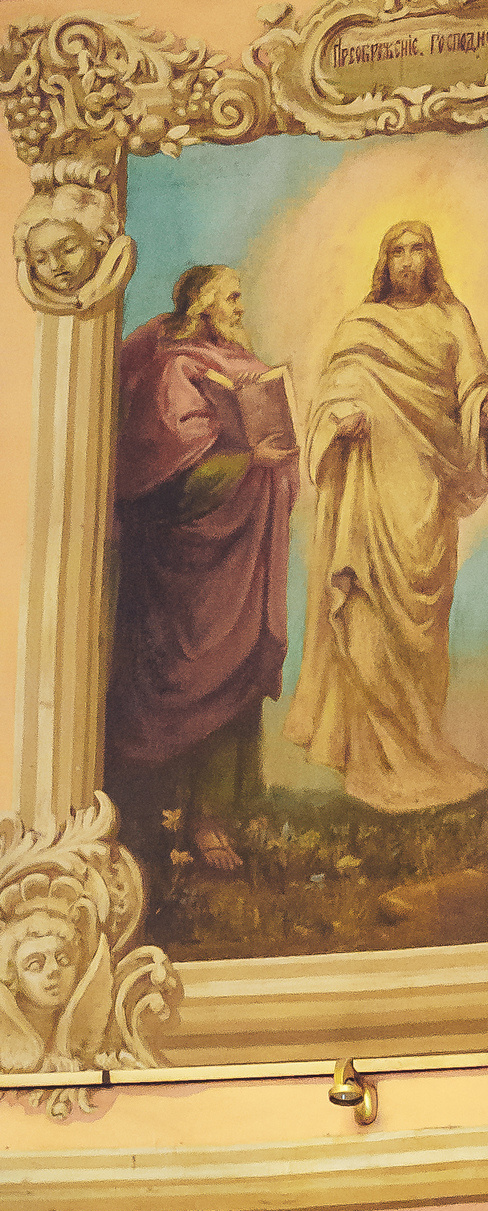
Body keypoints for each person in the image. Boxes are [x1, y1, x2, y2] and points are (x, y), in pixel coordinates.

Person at [284, 221, 488, 815]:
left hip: (427, 484)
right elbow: (331, 394)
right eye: (397, 250)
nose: (407, 259)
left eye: (418, 248)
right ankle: (373, 764)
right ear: (384, 260)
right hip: (369, 485)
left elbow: (474, 384)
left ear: (432, 257)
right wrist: (340, 417)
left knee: (423, 630)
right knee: (365, 611)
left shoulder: (452, 317)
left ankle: (425, 750)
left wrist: (485, 409)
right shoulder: (361, 324)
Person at [104, 262, 299, 876]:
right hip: (186, 561)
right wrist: (248, 459)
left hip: (240, 558)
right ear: (204, 304)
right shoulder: (177, 368)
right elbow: (168, 468)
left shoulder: (240, 362)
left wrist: (273, 460)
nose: (241, 305)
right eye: (232, 296)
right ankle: (153, 817)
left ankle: (211, 818)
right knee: (179, 675)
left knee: (236, 671)